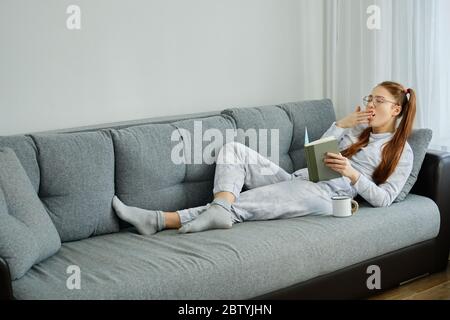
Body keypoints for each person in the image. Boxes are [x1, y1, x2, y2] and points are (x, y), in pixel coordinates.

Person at [112, 81, 416, 235]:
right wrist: (343, 124)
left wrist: (351, 173)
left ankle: (158, 219)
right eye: (369, 98)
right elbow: (317, 157)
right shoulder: (356, 131)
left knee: (245, 204)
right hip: (303, 179)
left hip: (326, 198)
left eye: (379, 100)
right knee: (232, 149)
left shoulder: (402, 152)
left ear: (396, 109)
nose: (371, 104)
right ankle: (220, 207)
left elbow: (384, 199)